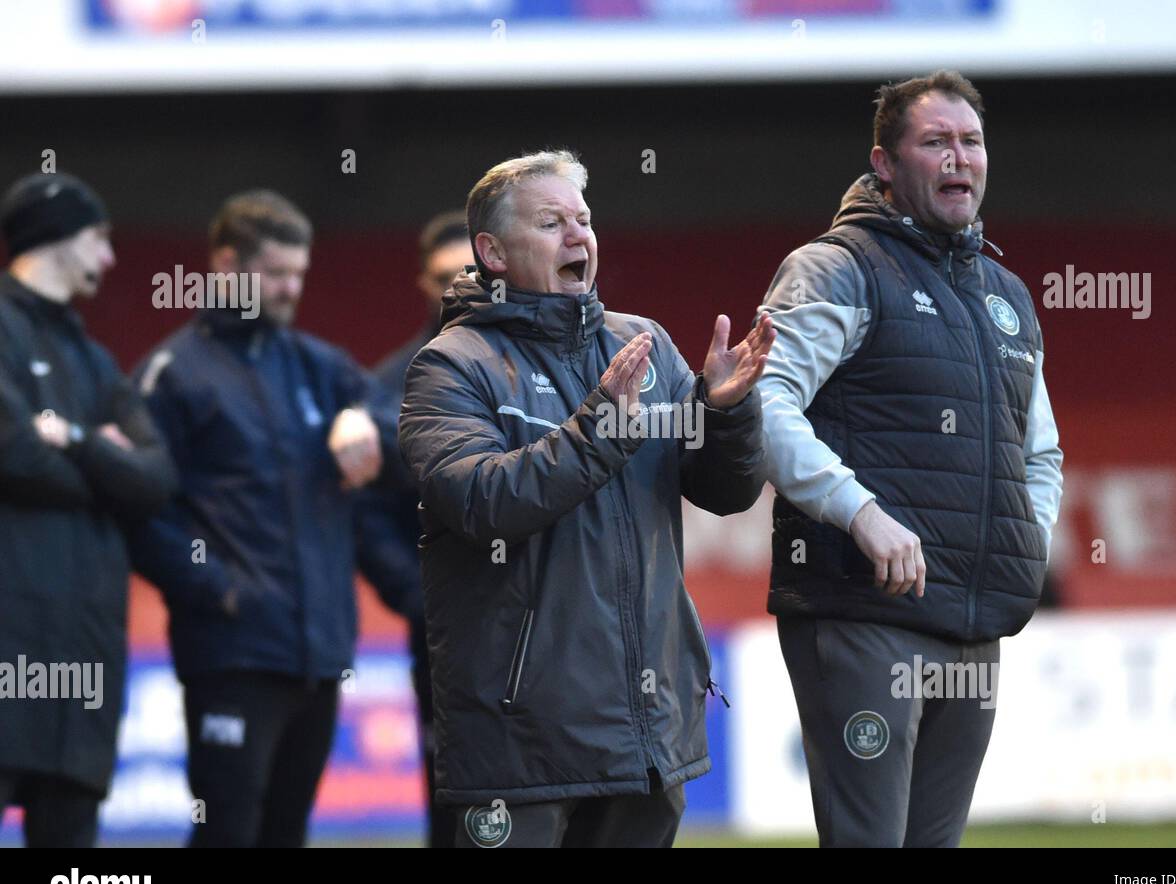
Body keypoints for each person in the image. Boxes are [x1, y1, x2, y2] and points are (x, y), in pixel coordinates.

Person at [399, 150, 774, 848]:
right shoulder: (452, 365)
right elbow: (484, 503)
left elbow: (727, 493)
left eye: (584, 218)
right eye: (551, 222)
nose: (579, 236)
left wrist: (725, 413)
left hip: (646, 734)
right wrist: (601, 425)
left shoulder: (646, 345)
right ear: (493, 251)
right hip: (521, 744)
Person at [755, 70, 1064, 847]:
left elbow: (1043, 451)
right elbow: (763, 406)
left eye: (971, 141)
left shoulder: (1007, 295)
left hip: (975, 621)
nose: (960, 158)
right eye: (936, 143)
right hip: (863, 613)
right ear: (885, 165)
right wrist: (860, 513)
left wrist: (1026, 539)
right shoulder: (836, 266)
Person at [130, 190, 400, 847]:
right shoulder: (173, 375)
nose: (289, 289)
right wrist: (216, 591)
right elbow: (138, 507)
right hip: (232, 654)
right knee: (226, 832)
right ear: (226, 264)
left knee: (286, 834)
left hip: (318, 654)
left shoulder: (319, 365)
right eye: (276, 272)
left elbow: (411, 419)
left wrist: (368, 420)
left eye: (299, 274)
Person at [0, 172, 178, 846]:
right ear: (59, 236)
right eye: (99, 239)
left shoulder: (95, 360)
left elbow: (157, 478)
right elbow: (14, 454)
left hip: (86, 658)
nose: (109, 258)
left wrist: (73, 441)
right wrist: (108, 467)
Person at [353, 210, 473, 847]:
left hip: (547, 628)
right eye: (442, 277)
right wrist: (418, 598)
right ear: (423, 285)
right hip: (443, 637)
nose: (456, 288)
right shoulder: (386, 387)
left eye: (468, 274)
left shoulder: (537, 360)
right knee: (450, 798)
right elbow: (367, 519)